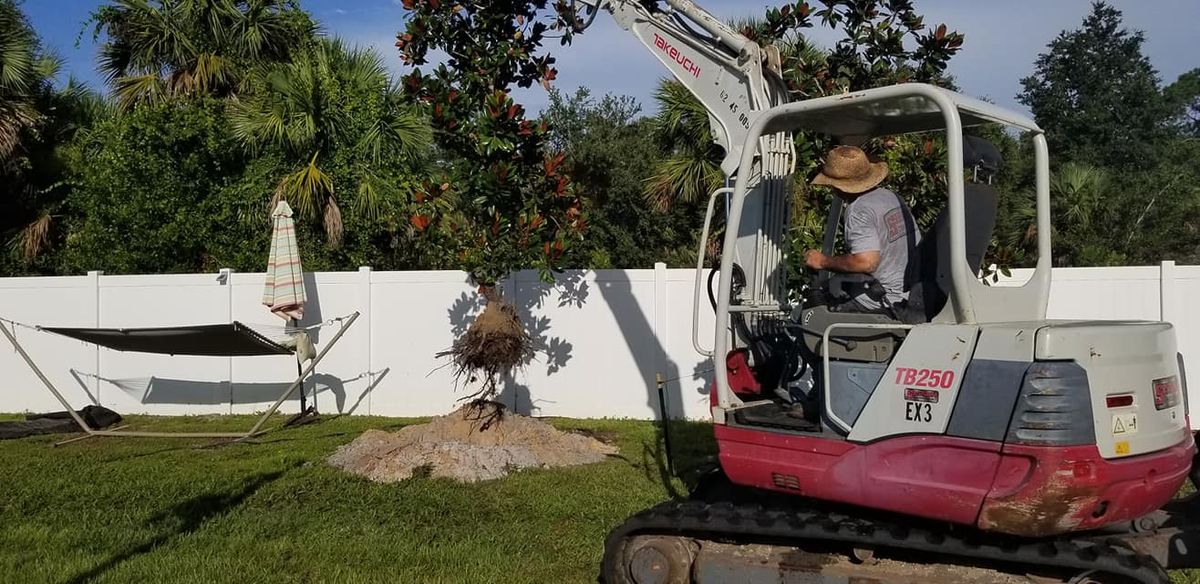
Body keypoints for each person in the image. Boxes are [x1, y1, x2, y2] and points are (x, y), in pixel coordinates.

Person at [803, 145, 920, 314]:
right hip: (911, 291)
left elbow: (867, 262)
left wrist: (822, 261)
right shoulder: (890, 196)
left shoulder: (859, 210)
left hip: (885, 300)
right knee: (834, 284)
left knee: (813, 316)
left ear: (838, 185)